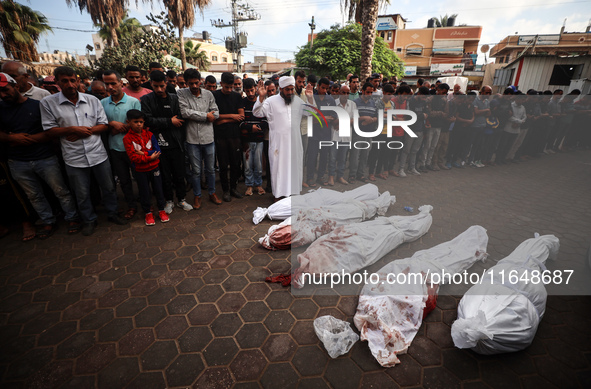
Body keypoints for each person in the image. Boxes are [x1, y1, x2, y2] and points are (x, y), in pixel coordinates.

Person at [40, 66, 127, 236]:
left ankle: (113, 213)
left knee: (108, 187)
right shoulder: (48, 103)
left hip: (97, 153)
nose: (70, 84)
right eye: (64, 81)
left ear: (78, 81)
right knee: (82, 192)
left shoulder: (92, 100)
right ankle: (89, 220)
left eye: (73, 80)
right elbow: (49, 131)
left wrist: (85, 131)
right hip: (74, 157)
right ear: (57, 82)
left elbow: (103, 124)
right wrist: (71, 129)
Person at [0, 72, 81, 239]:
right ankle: (47, 220)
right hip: (17, 160)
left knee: (60, 190)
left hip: (44, 157)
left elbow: (51, 130)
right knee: (33, 195)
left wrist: (26, 139)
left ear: (16, 87)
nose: (3, 95)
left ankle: (72, 218)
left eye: (6, 90)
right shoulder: (0, 109)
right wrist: (11, 138)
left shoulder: (38, 105)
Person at [253, 76, 313, 199]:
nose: (290, 92)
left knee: (294, 168)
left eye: (292, 89)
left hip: (295, 143)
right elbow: (257, 112)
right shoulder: (271, 101)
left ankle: (294, 195)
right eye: (287, 90)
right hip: (278, 144)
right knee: (279, 169)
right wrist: (261, 97)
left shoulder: (298, 101)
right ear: (280, 89)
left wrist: (310, 98)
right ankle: (278, 196)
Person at [141, 70, 193, 213]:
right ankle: (168, 201)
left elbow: (181, 118)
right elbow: (148, 120)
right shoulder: (146, 100)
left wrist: (167, 122)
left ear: (166, 84)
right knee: (164, 175)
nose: (159, 89)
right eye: (156, 86)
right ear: (151, 84)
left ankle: (181, 199)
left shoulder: (174, 98)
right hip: (157, 144)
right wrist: (170, 121)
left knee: (179, 173)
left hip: (176, 142)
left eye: (162, 86)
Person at [177, 69, 221, 209]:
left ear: (200, 81)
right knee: (196, 171)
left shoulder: (208, 94)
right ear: (186, 83)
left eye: (196, 83)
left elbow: (216, 112)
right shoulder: (181, 94)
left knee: (210, 169)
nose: (194, 86)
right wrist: (205, 116)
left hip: (209, 138)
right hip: (192, 140)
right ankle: (197, 195)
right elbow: (184, 112)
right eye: (191, 83)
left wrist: (210, 116)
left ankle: (212, 192)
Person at [101, 69, 141, 220]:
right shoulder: (102, 103)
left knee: (140, 177)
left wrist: (122, 127)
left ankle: (145, 203)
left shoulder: (133, 102)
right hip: (115, 148)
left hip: (134, 148)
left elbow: (139, 124)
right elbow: (100, 123)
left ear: (121, 83)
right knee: (124, 180)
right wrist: (112, 124)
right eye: (107, 84)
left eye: (113, 83)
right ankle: (131, 206)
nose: (110, 87)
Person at [122, 109, 169, 225]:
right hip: (140, 170)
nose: (139, 124)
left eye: (141, 122)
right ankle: (148, 212)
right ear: (128, 122)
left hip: (154, 168)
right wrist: (150, 157)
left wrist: (144, 154)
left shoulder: (150, 134)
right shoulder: (127, 139)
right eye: (135, 121)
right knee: (144, 192)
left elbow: (157, 150)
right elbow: (133, 157)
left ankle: (162, 210)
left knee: (158, 189)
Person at [213, 72, 245, 202]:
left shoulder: (237, 96)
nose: (230, 90)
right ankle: (225, 190)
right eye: (227, 87)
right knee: (223, 164)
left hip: (235, 135)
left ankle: (234, 188)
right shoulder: (214, 95)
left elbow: (241, 116)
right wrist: (232, 116)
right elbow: (215, 117)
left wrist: (223, 119)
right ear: (221, 84)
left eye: (231, 87)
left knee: (235, 164)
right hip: (220, 136)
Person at [306, 77, 337, 187]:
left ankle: (320, 177)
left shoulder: (331, 100)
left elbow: (334, 116)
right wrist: (324, 118)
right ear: (317, 86)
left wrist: (319, 118)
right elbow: (310, 116)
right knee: (312, 157)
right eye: (322, 88)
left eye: (326, 88)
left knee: (324, 157)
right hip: (314, 134)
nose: (324, 90)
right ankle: (310, 178)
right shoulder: (311, 98)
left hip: (326, 134)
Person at [240, 78, 267, 196]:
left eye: (252, 90)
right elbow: (240, 122)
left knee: (259, 164)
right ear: (244, 91)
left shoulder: (262, 102)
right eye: (247, 91)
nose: (250, 94)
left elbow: (266, 121)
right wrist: (251, 128)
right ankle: (249, 185)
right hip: (246, 140)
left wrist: (256, 127)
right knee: (247, 165)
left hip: (259, 139)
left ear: (256, 88)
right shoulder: (242, 103)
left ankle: (259, 184)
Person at [398, 86, 429, 177]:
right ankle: (401, 169)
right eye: (423, 97)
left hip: (420, 129)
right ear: (419, 93)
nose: (424, 99)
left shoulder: (424, 102)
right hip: (410, 129)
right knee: (406, 150)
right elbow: (409, 115)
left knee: (415, 150)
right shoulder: (410, 101)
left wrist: (421, 116)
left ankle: (411, 168)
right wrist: (421, 116)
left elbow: (427, 113)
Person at [349, 82, 377, 183]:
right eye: (367, 92)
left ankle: (360, 174)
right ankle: (352, 175)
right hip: (357, 133)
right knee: (355, 155)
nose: (369, 94)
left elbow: (377, 117)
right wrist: (363, 118)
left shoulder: (373, 103)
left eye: (371, 92)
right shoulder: (355, 103)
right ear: (363, 91)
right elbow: (352, 118)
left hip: (369, 133)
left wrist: (372, 120)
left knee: (365, 155)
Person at [329, 84, 355, 185]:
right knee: (332, 158)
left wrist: (342, 121)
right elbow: (332, 120)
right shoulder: (333, 103)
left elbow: (355, 119)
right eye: (343, 92)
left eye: (347, 93)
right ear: (339, 92)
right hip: (334, 135)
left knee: (343, 158)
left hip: (346, 136)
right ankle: (331, 177)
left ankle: (340, 176)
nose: (345, 95)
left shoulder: (352, 104)